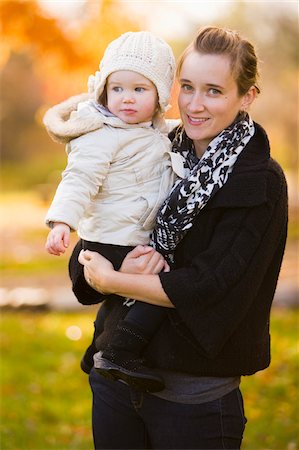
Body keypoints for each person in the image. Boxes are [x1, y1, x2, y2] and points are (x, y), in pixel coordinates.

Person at [78, 26, 288, 450]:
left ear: (246, 97)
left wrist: (112, 280)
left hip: (193, 398)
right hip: (113, 385)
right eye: (187, 87)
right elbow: (93, 242)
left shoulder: (259, 181)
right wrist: (105, 266)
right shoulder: (148, 145)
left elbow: (208, 288)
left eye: (213, 91)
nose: (193, 104)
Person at [44, 31, 183, 392]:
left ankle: (96, 349)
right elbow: (79, 178)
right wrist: (62, 221)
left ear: (160, 97)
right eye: (117, 88)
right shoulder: (100, 133)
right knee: (161, 288)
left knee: (123, 300)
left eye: (140, 89)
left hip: (127, 234)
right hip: (110, 238)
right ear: (103, 90)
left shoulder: (153, 132)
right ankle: (119, 352)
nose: (126, 99)